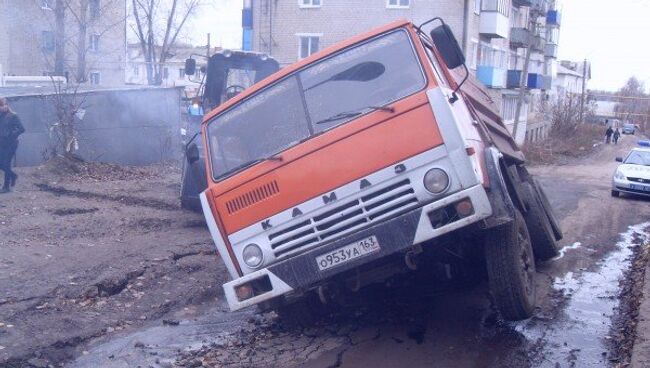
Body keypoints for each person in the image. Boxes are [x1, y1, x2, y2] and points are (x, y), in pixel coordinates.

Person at [0, 98, 25, 193]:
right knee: (1, 164)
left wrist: (11, 135)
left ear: (6, 105)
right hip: (1, 143)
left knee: (6, 163)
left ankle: (6, 187)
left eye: (2, 105)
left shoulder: (13, 116)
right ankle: (13, 175)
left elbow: (21, 129)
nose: (1, 108)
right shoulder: (0, 116)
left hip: (11, 143)